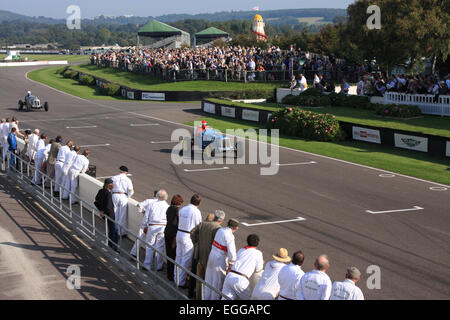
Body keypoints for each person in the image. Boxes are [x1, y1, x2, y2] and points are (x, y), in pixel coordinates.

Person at [191, 210, 225, 300]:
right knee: (208, 282)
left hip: (200, 256)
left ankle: (198, 297)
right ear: (222, 220)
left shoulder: (203, 224)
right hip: (210, 258)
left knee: (199, 280)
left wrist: (196, 243)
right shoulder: (218, 228)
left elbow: (192, 232)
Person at [203, 218, 238, 300]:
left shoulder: (220, 230)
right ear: (235, 228)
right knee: (217, 283)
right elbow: (232, 253)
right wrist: (231, 263)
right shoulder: (230, 236)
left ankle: (205, 298)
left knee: (208, 279)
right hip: (220, 258)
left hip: (212, 254)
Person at [221, 234, 264, 300]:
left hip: (229, 276)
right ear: (258, 242)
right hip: (241, 280)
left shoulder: (241, 250)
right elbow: (258, 270)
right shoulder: (258, 253)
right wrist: (262, 262)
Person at [175, 194, 202, 288]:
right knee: (186, 260)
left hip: (179, 233)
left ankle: (176, 278)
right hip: (188, 236)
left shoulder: (182, 209)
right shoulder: (196, 212)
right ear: (198, 203)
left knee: (178, 257)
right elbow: (198, 226)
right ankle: (180, 282)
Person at [142, 190, 170, 271]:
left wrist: (144, 225)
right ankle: (159, 266)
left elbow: (146, 216)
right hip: (162, 227)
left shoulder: (152, 204)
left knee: (149, 246)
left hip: (152, 226)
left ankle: (147, 264)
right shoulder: (167, 206)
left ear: (157, 196)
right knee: (160, 247)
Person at [130, 190, 159, 258]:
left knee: (139, 238)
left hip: (145, 223)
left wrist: (143, 212)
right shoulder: (163, 204)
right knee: (153, 242)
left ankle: (133, 253)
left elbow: (138, 205)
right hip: (156, 225)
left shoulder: (149, 201)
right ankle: (152, 256)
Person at [94, 178, 118, 251]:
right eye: (112, 184)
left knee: (112, 230)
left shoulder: (101, 191)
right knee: (114, 231)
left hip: (105, 214)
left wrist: (101, 211)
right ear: (109, 185)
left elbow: (96, 201)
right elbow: (108, 206)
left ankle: (111, 245)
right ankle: (113, 247)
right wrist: (104, 212)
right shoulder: (108, 193)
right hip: (110, 214)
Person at [164, 194, 183, 282]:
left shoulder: (169, 208)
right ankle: (172, 276)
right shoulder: (178, 211)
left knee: (168, 254)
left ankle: (169, 274)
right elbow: (177, 225)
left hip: (167, 232)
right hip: (173, 236)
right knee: (173, 255)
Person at [111, 166, 134, 237]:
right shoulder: (127, 180)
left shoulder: (113, 178)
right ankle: (121, 233)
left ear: (120, 171)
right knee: (122, 215)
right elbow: (130, 190)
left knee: (115, 214)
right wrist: (128, 196)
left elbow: (110, 187)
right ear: (126, 172)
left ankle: (113, 230)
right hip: (123, 196)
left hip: (114, 195)